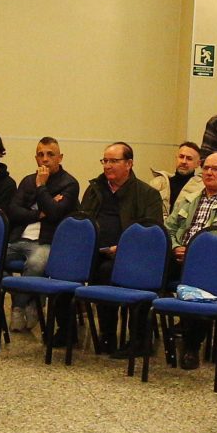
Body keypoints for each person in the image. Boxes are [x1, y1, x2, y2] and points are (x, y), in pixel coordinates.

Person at [79, 141, 163, 353]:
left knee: (106, 271)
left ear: (129, 164)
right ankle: (70, 332)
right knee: (68, 269)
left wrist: (124, 248)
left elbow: (152, 234)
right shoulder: (95, 189)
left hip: (132, 256)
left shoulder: (147, 194)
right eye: (105, 161)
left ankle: (133, 339)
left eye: (113, 161)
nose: (107, 166)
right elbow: (82, 222)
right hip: (96, 252)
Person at [6, 135, 78, 276]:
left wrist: (41, 186)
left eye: (50, 154)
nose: (45, 159)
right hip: (18, 239)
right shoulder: (28, 181)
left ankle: (24, 296)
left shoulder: (70, 184)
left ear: (60, 158)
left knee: (35, 265)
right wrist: (39, 214)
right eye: (41, 155)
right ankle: (20, 295)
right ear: (36, 159)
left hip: (46, 243)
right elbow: (13, 212)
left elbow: (55, 214)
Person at [157, 141, 202, 209]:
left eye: (189, 159)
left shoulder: (201, 189)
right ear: (176, 158)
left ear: (198, 164)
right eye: (181, 157)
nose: (184, 161)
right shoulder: (160, 184)